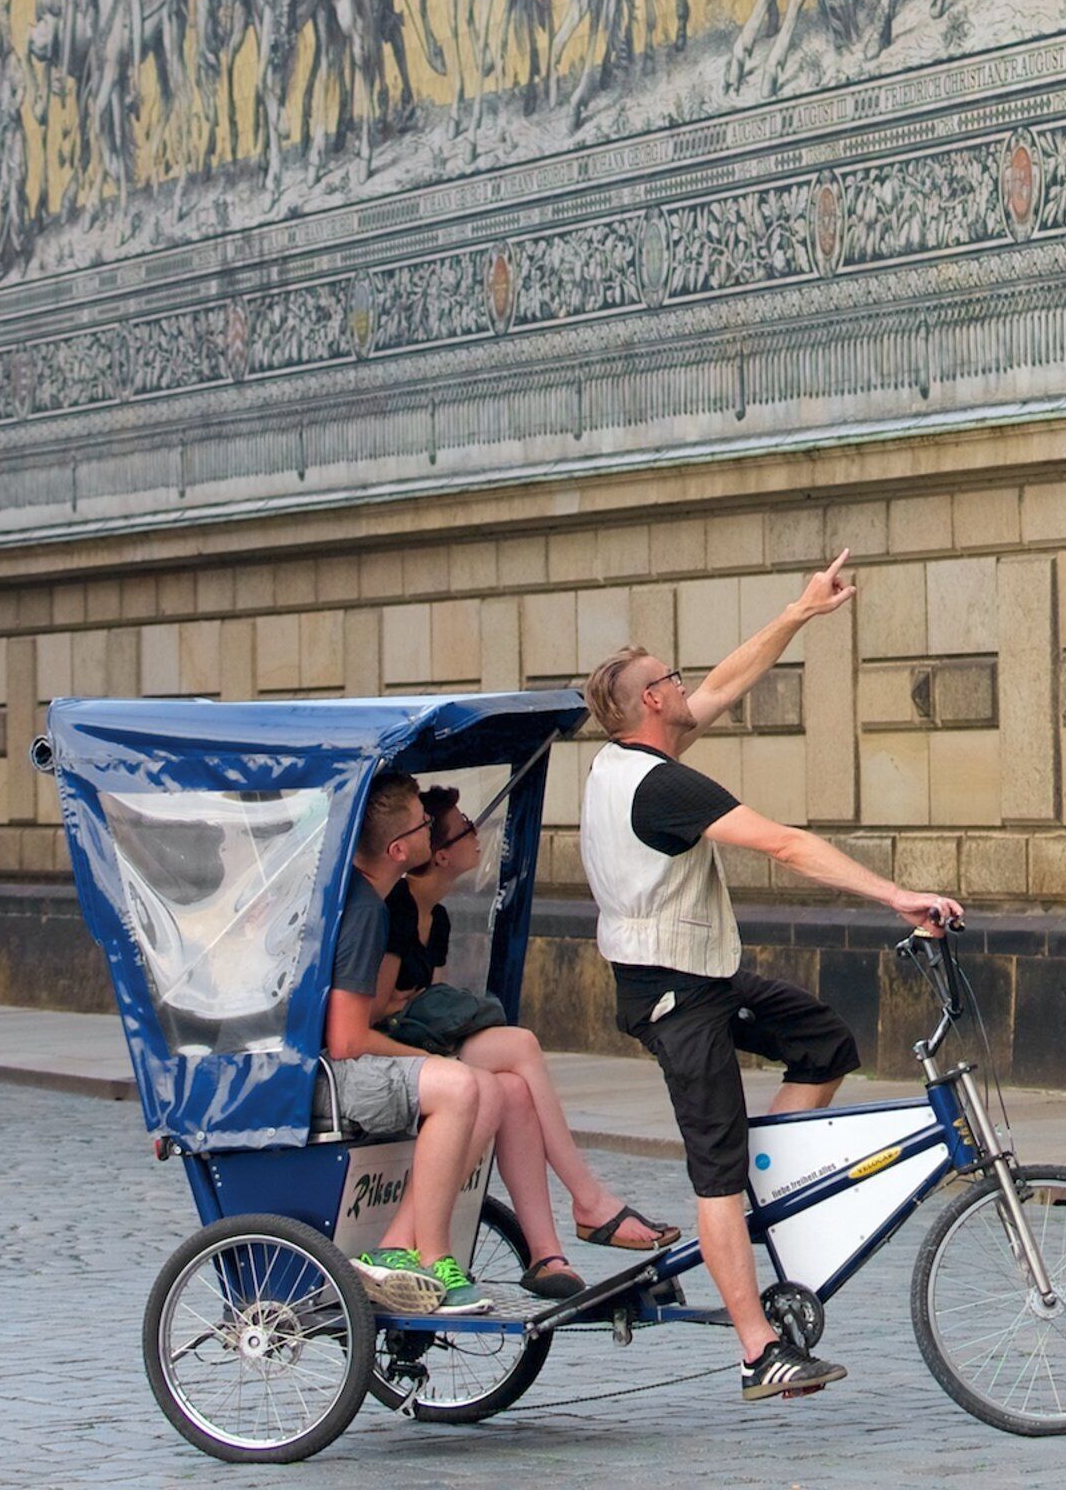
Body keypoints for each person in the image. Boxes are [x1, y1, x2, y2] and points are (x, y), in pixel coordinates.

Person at [580, 554, 964, 1401]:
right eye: (670, 679)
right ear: (651, 701)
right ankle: (758, 1352)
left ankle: (766, 1188)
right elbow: (786, 843)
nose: (688, 686)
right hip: (674, 995)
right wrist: (895, 893)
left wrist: (799, 612)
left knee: (822, 1042)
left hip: (701, 978)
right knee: (713, 1168)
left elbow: (725, 681)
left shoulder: (626, 760)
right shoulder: (663, 788)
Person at [390, 794, 679, 1302]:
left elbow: (419, 999)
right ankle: (588, 1200)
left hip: (414, 1042)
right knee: (520, 1046)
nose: (477, 835)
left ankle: (547, 1257)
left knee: (514, 1093)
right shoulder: (392, 911)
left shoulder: (436, 918)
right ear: (438, 854)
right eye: (465, 828)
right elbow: (370, 1015)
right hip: (383, 1053)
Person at [321, 772, 497, 1314]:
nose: (432, 831)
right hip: (327, 1077)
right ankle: (431, 1256)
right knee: (459, 1085)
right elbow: (347, 1040)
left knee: (486, 1089)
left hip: (333, 1066)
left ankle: (397, 1245)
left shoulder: (364, 898)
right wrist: (427, 1060)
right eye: (425, 824)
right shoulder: (366, 911)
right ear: (400, 850)